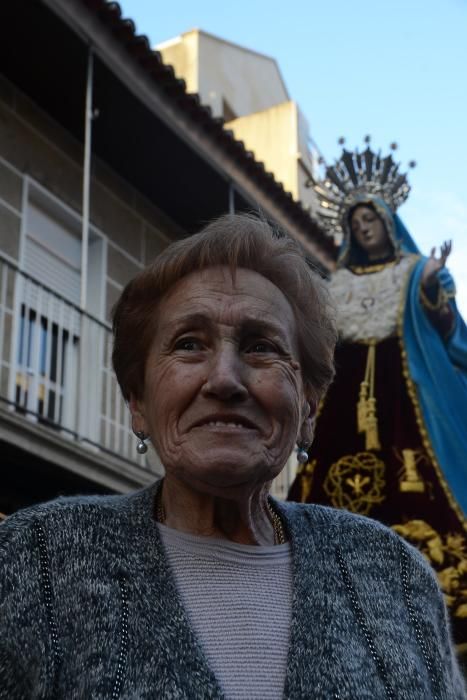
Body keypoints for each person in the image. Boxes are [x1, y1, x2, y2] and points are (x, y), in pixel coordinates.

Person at [0, 213, 465, 699]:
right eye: (188, 344)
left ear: (307, 410)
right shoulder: (34, 560)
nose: (224, 378)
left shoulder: (396, 577)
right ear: (138, 403)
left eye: (261, 346)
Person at [289, 142, 467, 660]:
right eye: (356, 220)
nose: (364, 227)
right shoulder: (335, 284)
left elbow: (446, 329)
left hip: (403, 396)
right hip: (345, 398)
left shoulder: (414, 271)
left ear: (388, 222)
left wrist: (435, 284)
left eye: (372, 218)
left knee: (415, 483)